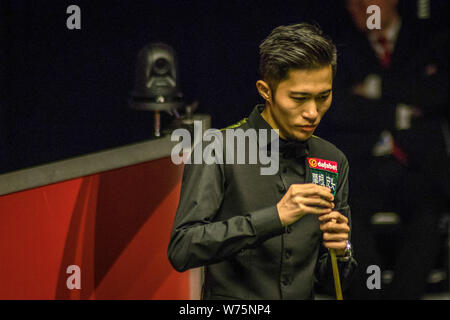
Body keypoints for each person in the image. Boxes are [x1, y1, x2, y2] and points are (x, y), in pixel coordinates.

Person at [167, 23, 357, 300]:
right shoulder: (219, 148)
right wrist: (274, 217)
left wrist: (342, 252)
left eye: (323, 97)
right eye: (299, 98)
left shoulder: (331, 159)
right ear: (265, 91)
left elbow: (332, 281)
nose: (313, 112)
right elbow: (182, 249)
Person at [320, 0, 449, 299]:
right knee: (344, 215)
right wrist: (399, 114)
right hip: (364, 165)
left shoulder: (429, 38)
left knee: (429, 213)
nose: (357, 9)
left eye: (365, 3)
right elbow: (334, 106)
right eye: (351, 4)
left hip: (416, 164)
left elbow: (437, 93)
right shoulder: (338, 49)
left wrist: (376, 88)